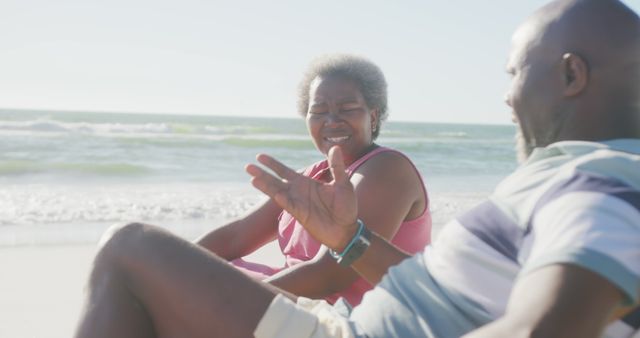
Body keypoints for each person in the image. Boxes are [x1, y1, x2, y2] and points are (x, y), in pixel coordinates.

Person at [74, 0, 640, 337]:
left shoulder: (599, 185)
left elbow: (548, 330)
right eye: (319, 110)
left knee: (128, 249)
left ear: (572, 76)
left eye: (514, 72)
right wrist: (351, 239)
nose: (507, 98)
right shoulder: (579, 178)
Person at [195, 54, 431, 306]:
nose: (331, 121)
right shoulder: (311, 176)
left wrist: (232, 302)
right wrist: (173, 264)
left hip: (350, 318)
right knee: (193, 270)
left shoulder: (388, 168)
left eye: (347, 109)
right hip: (296, 304)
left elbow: (330, 275)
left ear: (373, 117)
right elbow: (235, 237)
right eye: (318, 111)